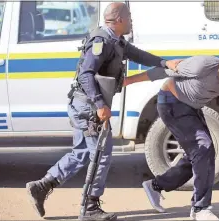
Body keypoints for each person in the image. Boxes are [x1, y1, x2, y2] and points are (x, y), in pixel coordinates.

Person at [25, 3, 181, 221]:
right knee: (101, 155)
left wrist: (164, 62)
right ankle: (90, 207)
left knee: (81, 154)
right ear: (118, 19)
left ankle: (41, 187)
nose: (131, 21)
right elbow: (85, 75)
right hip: (88, 108)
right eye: (129, 17)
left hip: (84, 106)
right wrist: (100, 105)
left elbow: (138, 55)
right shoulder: (102, 41)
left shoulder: (115, 40)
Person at [122, 53, 219, 220]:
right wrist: (128, 81)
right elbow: (163, 71)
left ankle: (156, 186)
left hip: (191, 108)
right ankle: (200, 208)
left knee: (200, 155)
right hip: (171, 102)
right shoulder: (202, 66)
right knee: (203, 149)